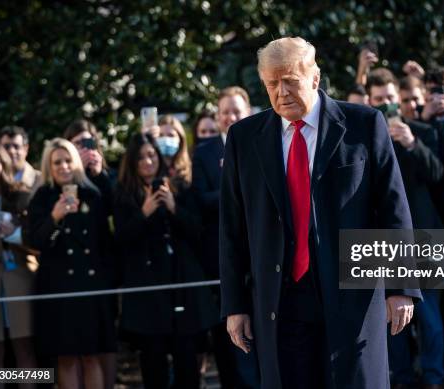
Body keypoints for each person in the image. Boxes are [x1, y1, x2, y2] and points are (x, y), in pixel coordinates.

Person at [219, 36, 420, 389]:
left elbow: (392, 209)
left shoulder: (364, 124)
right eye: (271, 84)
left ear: (314, 78)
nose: (281, 92)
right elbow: (232, 229)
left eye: (290, 81)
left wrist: (400, 285)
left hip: (351, 296)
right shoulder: (244, 138)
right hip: (280, 302)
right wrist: (235, 304)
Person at [113, 133, 218, 389]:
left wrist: (173, 207)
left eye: (152, 155)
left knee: (187, 364)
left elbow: (196, 230)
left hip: (182, 289)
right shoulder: (123, 194)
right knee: (153, 365)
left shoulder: (180, 188)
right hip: (149, 295)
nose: (148, 162)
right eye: (141, 157)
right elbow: (121, 239)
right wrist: (144, 213)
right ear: (132, 162)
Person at [366, 70, 444, 389]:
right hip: (382, 245)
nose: (386, 105)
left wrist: (412, 144)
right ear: (370, 102)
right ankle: (401, 379)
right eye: (379, 100)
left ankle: (434, 378)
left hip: (423, 239)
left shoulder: (423, 132)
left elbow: (438, 174)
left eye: (389, 98)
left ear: (399, 99)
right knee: (392, 320)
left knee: (431, 321)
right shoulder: (363, 137)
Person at [25, 138, 116, 389]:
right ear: (49, 166)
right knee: (66, 359)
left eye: (68, 160)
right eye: (57, 162)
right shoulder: (42, 198)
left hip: (90, 286)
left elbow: (105, 243)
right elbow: (34, 241)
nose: (63, 166)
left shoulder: (92, 194)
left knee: (91, 356)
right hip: (58, 287)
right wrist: (54, 217)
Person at [192, 86, 260, 388]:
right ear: (218, 117)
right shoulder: (204, 152)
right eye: (225, 113)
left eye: (237, 111)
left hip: (262, 254)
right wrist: (236, 188)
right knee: (231, 338)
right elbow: (200, 199)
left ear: (248, 113)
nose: (231, 117)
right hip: (223, 257)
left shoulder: (263, 142)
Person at [0, 142, 37, 389]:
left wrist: (13, 233)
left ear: (3, 164)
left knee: (25, 348)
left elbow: (38, 238)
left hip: (21, 278)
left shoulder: (22, 195)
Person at [0, 126, 42, 193]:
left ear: (26, 149)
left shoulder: (41, 180)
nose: (11, 151)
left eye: (16, 146)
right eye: (6, 147)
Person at [157, 114, 192, 191]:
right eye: (161, 135)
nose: (165, 139)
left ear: (180, 140)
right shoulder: (152, 169)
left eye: (171, 135)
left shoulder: (190, 168)